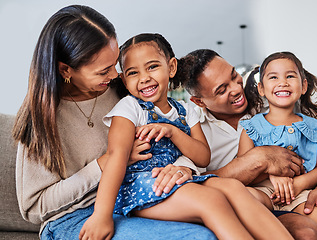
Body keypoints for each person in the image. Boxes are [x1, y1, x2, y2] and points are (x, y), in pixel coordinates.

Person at [12, 5, 219, 240]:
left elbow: (173, 133)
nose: (114, 76)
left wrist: (183, 167)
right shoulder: (41, 116)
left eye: (115, 65)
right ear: (65, 70)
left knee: (215, 223)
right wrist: (105, 164)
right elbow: (33, 208)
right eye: (103, 71)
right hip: (74, 217)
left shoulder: (121, 91)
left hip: (133, 197)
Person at [79, 33, 294, 240]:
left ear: (171, 67)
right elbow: (116, 157)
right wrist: (102, 214)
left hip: (179, 182)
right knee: (212, 201)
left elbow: (202, 158)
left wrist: (172, 132)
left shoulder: (184, 110)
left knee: (233, 187)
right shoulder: (129, 107)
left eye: (152, 67)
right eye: (133, 73)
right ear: (125, 81)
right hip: (140, 188)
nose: (144, 78)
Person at [173, 48, 317, 238]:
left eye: (234, 75)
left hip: (310, 189)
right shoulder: (194, 132)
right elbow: (196, 183)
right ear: (199, 101)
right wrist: (259, 161)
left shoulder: (278, 95)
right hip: (261, 201)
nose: (237, 89)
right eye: (222, 90)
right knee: (305, 230)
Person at [237, 51, 317, 239]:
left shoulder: (314, 127)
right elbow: (242, 169)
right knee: (240, 198)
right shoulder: (251, 127)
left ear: (303, 86)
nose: (283, 82)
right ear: (261, 89)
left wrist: (298, 184)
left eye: (290, 76)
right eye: (273, 77)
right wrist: (270, 174)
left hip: (300, 194)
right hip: (262, 191)